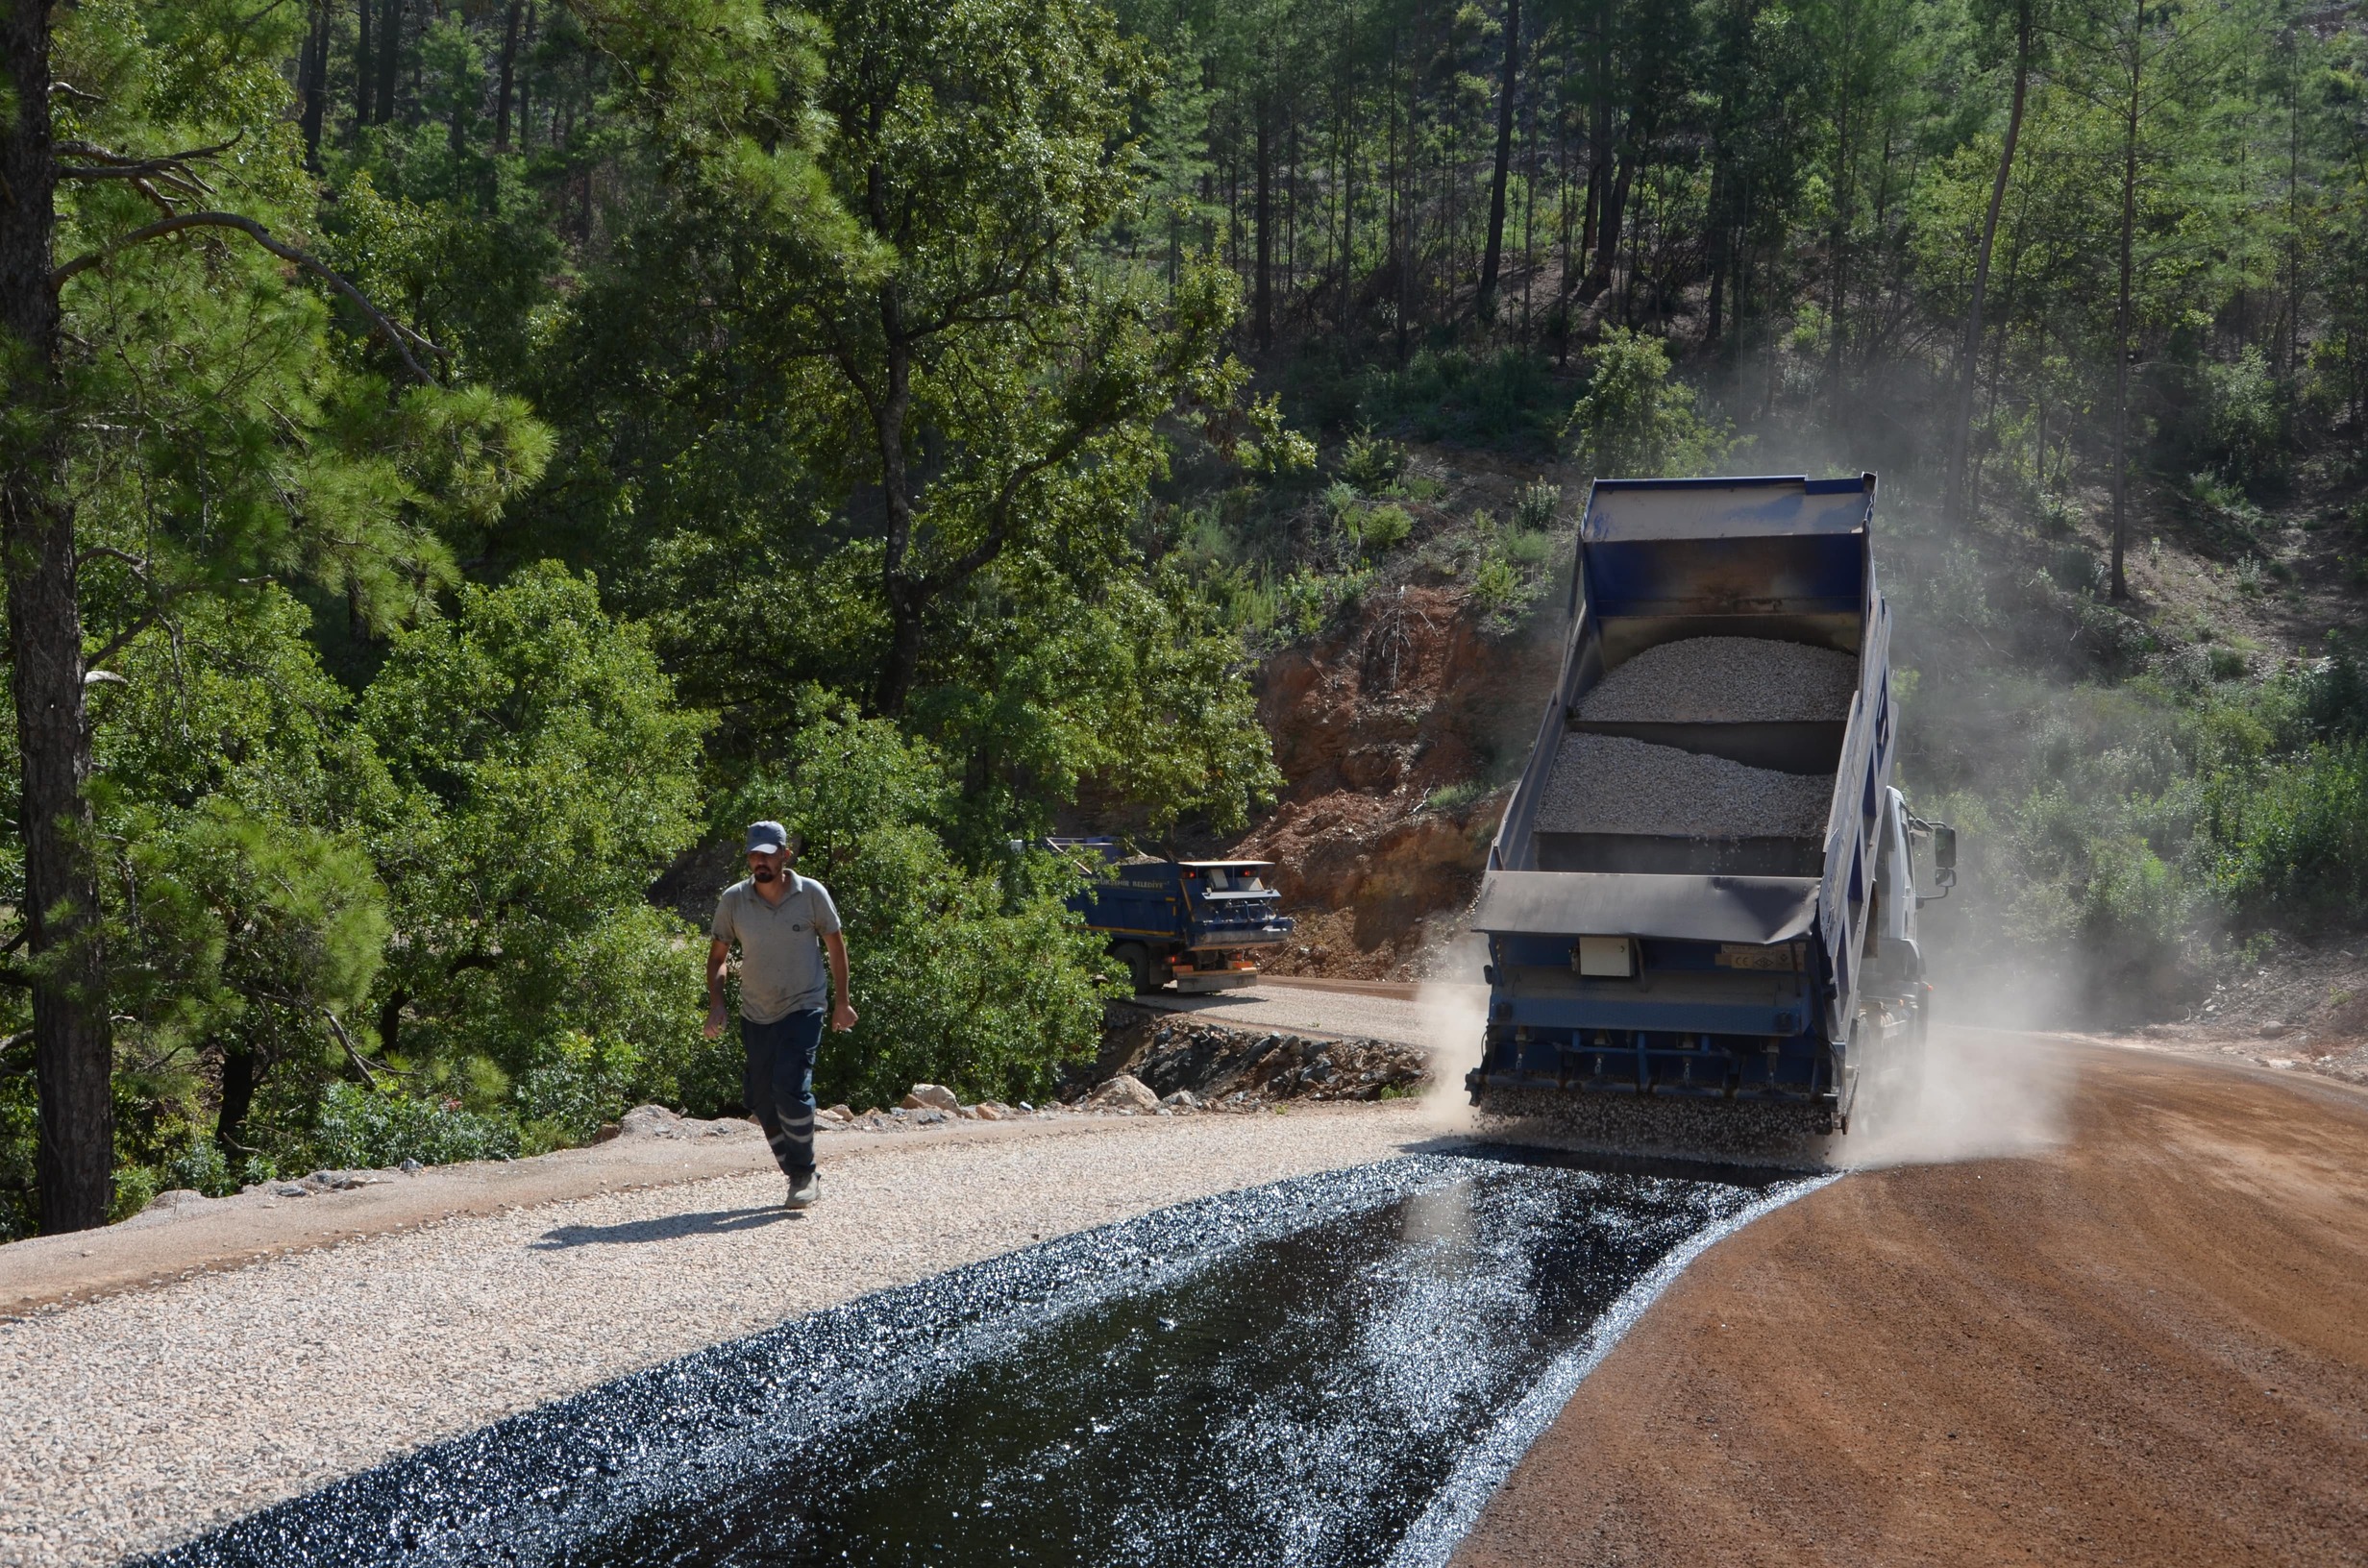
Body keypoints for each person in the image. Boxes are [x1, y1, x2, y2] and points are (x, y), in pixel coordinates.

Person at [706, 821, 856, 1209]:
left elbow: (836, 948)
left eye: (768, 855)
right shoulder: (734, 901)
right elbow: (718, 958)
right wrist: (717, 1002)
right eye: (754, 855)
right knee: (759, 1097)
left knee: (790, 1085)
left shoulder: (811, 895)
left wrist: (842, 1001)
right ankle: (796, 1170)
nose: (760, 862)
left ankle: (804, 1173)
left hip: (804, 1004)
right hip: (756, 1011)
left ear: (785, 856)